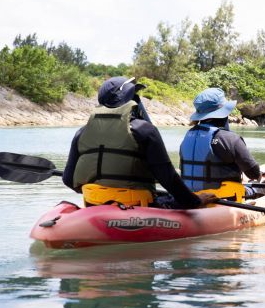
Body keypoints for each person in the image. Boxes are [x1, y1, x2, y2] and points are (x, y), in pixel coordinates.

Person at [62, 76, 213, 209]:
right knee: (172, 200)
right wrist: (194, 201)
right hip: (137, 206)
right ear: (129, 101)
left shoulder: (81, 132)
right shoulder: (144, 130)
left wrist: (102, 193)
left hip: (93, 204)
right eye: (135, 96)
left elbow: (68, 179)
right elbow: (168, 178)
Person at [179, 87, 265, 198]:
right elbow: (254, 174)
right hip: (221, 199)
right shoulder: (231, 139)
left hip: (189, 196)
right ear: (224, 113)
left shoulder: (187, 137)